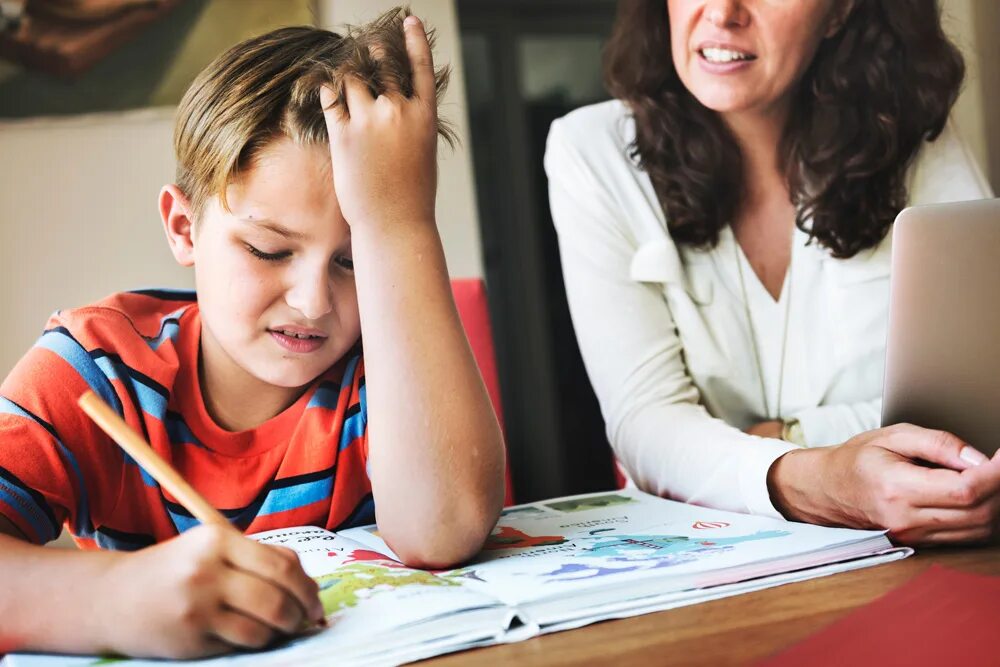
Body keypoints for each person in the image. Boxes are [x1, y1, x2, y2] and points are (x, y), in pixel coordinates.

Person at [0, 9, 505, 659]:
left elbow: (447, 529)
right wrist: (115, 597)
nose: (313, 300)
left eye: (354, 259)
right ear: (183, 228)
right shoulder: (95, 368)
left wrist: (401, 224)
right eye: (269, 249)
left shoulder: (386, 368)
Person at [546, 0, 999, 545]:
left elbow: (977, 394)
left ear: (838, 12)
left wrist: (788, 437)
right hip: (704, 564)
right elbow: (646, 426)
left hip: (902, 553)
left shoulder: (917, 136)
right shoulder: (591, 153)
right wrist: (823, 477)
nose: (722, 12)